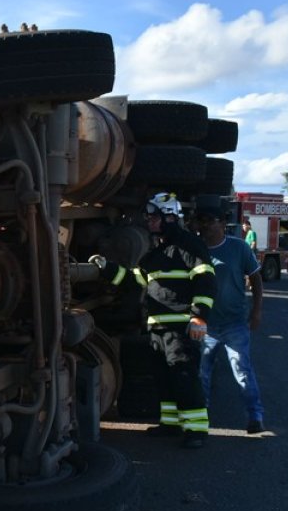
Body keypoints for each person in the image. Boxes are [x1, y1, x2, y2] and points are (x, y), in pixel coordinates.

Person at [96, 192, 217, 448]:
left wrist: (198, 318)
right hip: (158, 327)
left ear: (170, 217)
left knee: (184, 376)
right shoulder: (157, 251)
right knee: (164, 377)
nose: (149, 222)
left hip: (181, 326)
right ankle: (171, 424)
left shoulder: (189, 246)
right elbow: (136, 280)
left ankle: (197, 430)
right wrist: (106, 268)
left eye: (154, 217)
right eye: (149, 217)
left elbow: (206, 281)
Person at [194, 201, 267, 434]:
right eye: (201, 221)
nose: (204, 226)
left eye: (210, 221)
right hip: (205, 324)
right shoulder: (195, 249)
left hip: (235, 323)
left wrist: (256, 311)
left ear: (223, 224)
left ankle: (255, 416)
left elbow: (256, 279)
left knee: (242, 370)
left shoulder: (238, 248)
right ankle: (201, 416)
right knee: (201, 373)